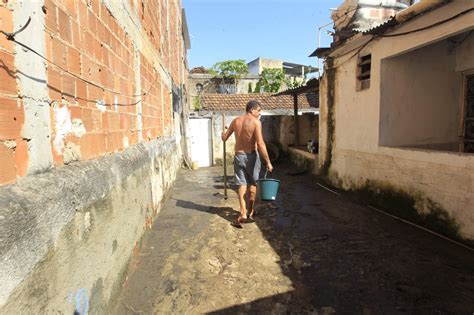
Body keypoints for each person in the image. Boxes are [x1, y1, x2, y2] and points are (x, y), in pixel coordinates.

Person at [221, 100, 273, 228]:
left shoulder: (236, 121)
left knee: (241, 184)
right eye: (259, 110)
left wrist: (223, 132)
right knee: (253, 183)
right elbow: (260, 144)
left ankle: (243, 212)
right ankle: (250, 211)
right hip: (251, 156)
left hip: (239, 156)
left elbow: (224, 138)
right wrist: (268, 162)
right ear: (252, 110)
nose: (260, 113)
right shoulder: (256, 122)